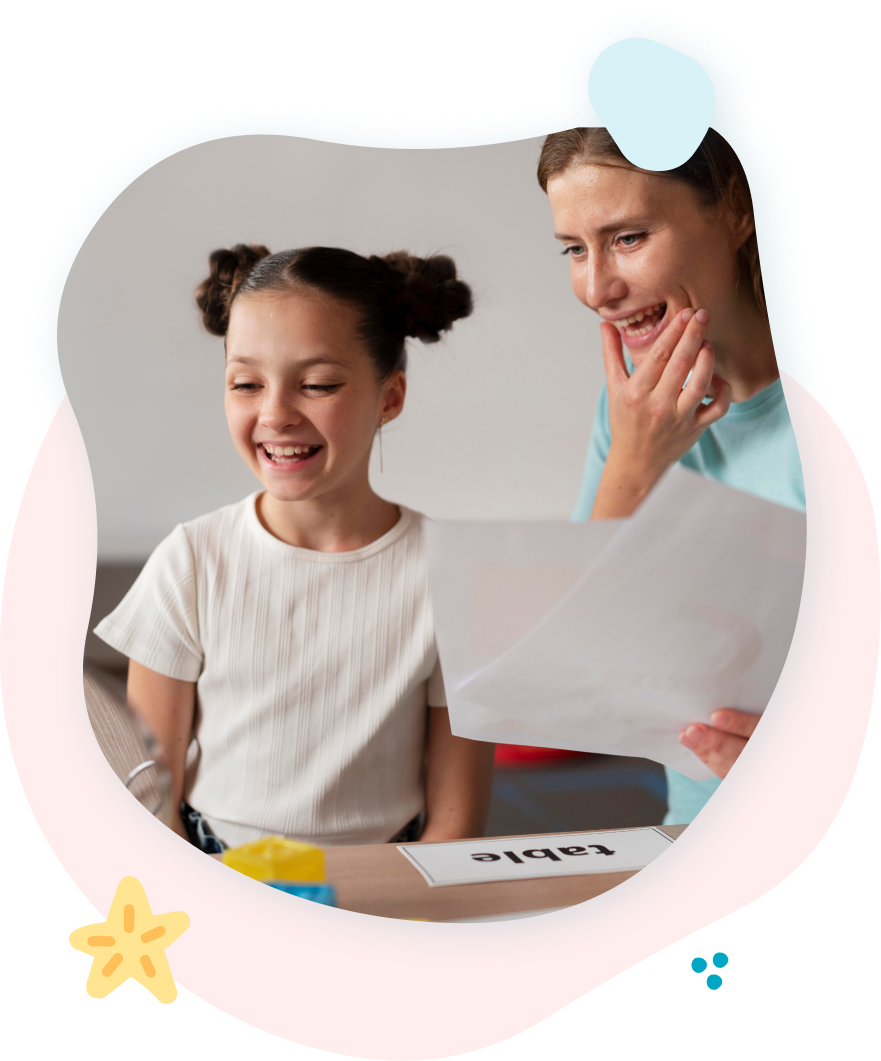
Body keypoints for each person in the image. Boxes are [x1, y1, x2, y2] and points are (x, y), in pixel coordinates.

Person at [94, 244, 495, 849]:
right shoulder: (192, 562)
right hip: (216, 869)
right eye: (246, 383)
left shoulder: (451, 573)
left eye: (317, 384)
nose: (275, 413)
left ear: (389, 397)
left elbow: (455, 821)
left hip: (389, 878)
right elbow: (151, 795)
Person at [537, 127, 805, 824]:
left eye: (627, 237)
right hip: (695, 826)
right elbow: (580, 662)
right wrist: (631, 462)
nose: (597, 287)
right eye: (573, 249)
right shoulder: (632, 412)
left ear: (738, 210)